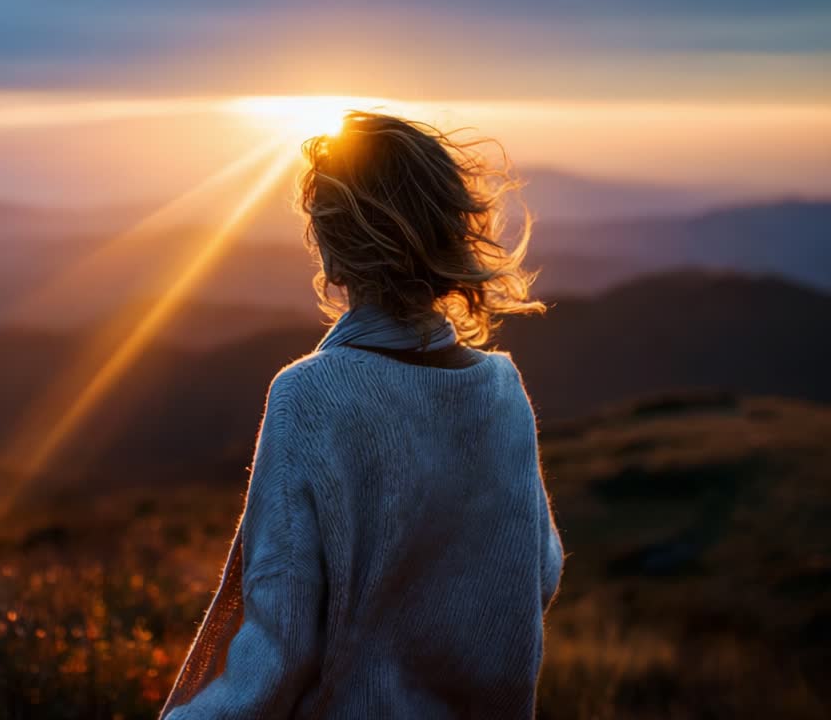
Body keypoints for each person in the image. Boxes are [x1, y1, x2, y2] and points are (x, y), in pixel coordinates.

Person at [160, 112, 565, 719]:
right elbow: (541, 571)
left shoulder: (311, 397)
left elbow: (279, 647)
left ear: (336, 251)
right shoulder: (503, 391)